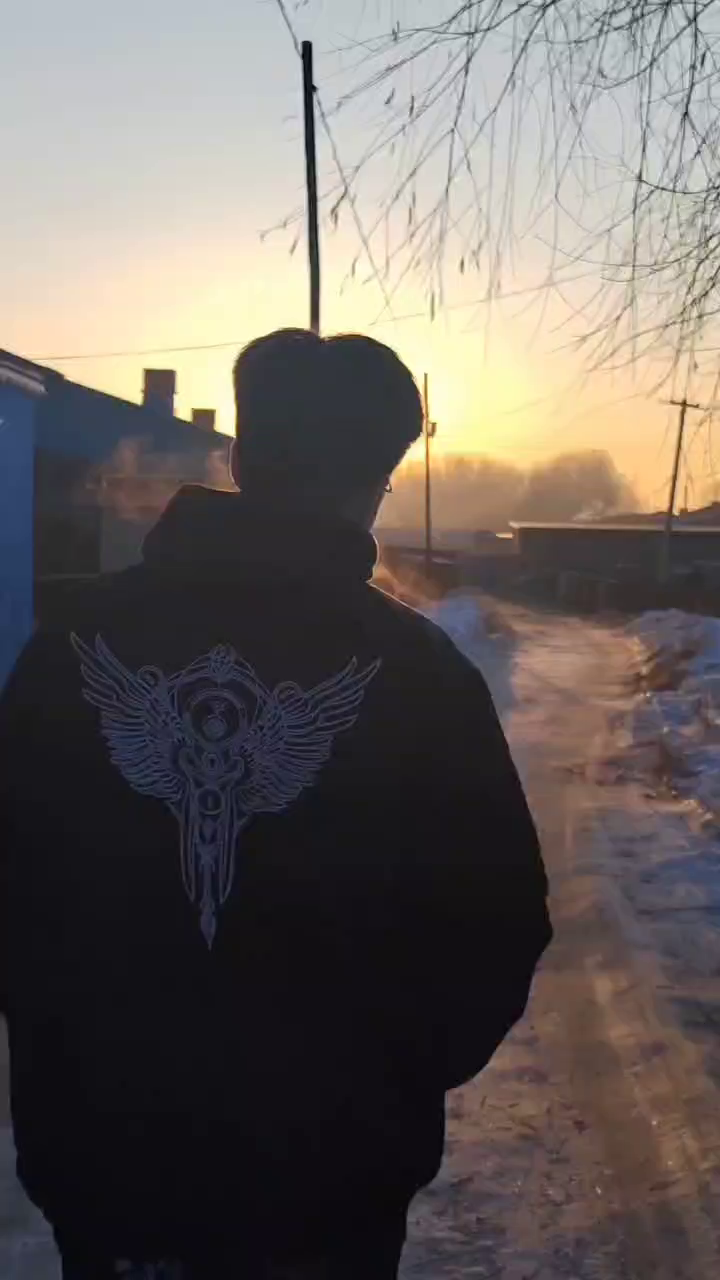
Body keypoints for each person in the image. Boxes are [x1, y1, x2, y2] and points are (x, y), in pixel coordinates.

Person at [0, 329, 551, 1279]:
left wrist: (69, 1053)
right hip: (328, 1193)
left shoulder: (73, 645)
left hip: (109, 1173)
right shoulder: (417, 674)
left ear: (241, 458)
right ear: (377, 478)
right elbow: (497, 926)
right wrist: (380, 1084)